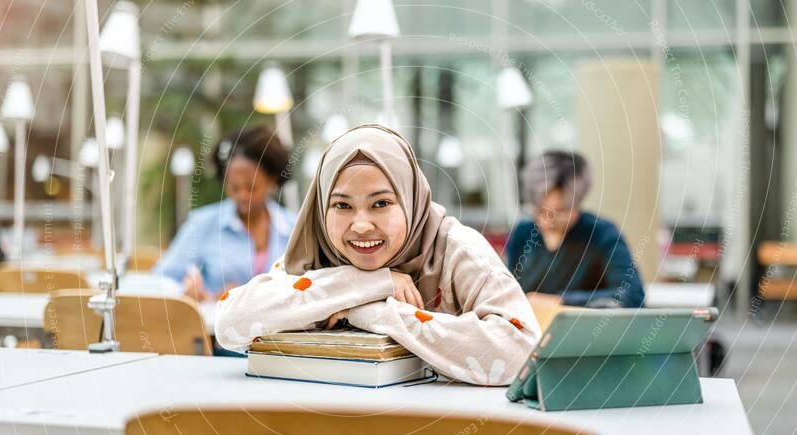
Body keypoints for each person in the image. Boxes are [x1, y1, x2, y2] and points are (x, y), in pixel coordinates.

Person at [215, 124, 540, 386]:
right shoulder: (315, 251)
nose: (361, 224)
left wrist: (369, 312)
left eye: (381, 203)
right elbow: (230, 324)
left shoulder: (456, 250)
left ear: (410, 200)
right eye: (341, 205)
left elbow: (522, 353)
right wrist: (366, 281)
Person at [154, 125, 296, 302]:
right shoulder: (203, 224)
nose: (242, 195)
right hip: (214, 328)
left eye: (251, 187)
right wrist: (185, 291)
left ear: (272, 180)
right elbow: (160, 278)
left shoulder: (294, 229)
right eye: (234, 187)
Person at [506, 151, 645, 308]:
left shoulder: (601, 234)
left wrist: (561, 302)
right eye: (539, 210)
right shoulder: (523, 234)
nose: (547, 219)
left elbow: (632, 296)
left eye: (560, 212)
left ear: (578, 202)